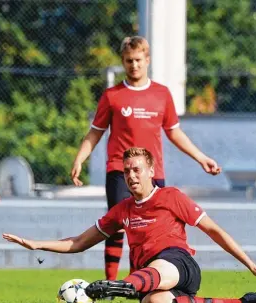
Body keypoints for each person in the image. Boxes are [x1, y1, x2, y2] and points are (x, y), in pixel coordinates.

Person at [4, 147, 256, 303]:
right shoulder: (123, 209)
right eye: (127, 171)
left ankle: (122, 286)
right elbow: (79, 242)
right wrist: (36, 244)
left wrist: (253, 266)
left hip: (179, 264)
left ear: (151, 171)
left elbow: (215, 231)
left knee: (161, 265)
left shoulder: (171, 196)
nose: (131, 176)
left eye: (137, 169)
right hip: (151, 279)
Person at [71, 36, 222, 282]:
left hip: (154, 173)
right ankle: (110, 282)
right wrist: (79, 159)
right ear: (123, 61)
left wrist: (201, 158)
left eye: (139, 60)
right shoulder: (112, 96)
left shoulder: (161, 94)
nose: (134, 65)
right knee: (119, 223)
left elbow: (174, 131)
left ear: (147, 60)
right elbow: (95, 132)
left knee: (149, 228)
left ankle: (136, 281)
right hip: (119, 171)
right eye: (129, 61)